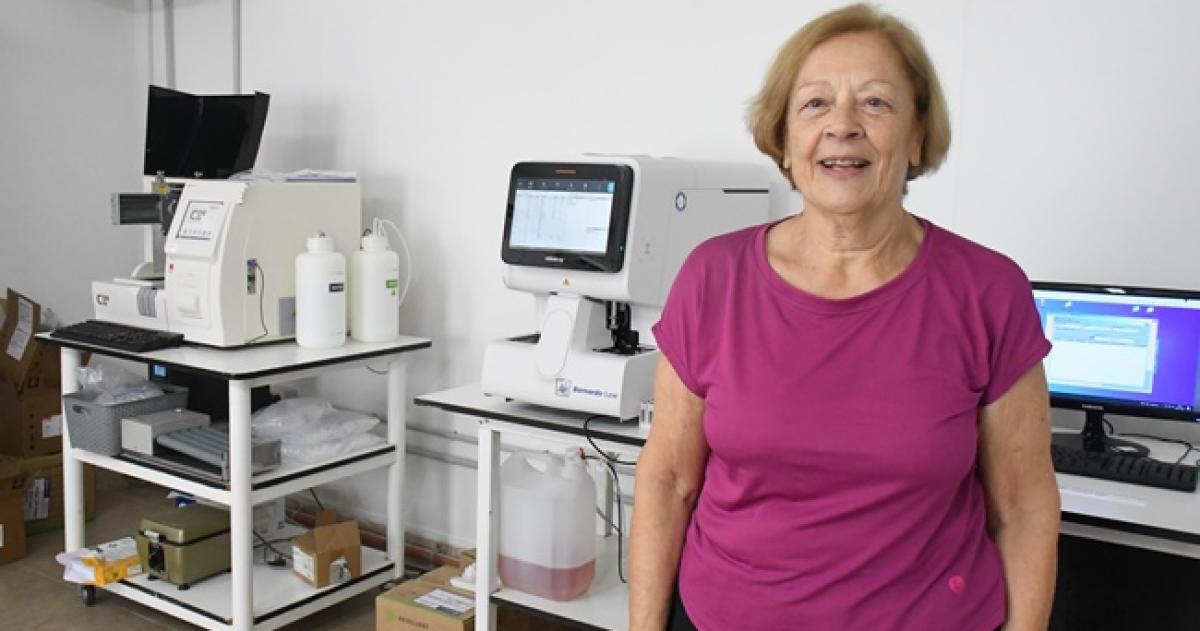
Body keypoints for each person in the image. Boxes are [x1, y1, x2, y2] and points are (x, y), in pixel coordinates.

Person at [628, 4, 1061, 630]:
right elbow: (668, 479)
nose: (843, 127)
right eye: (815, 105)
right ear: (783, 136)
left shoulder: (988, 291)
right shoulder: (711, 278)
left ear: (917, 134)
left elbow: (1023, 503)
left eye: (876, 103)